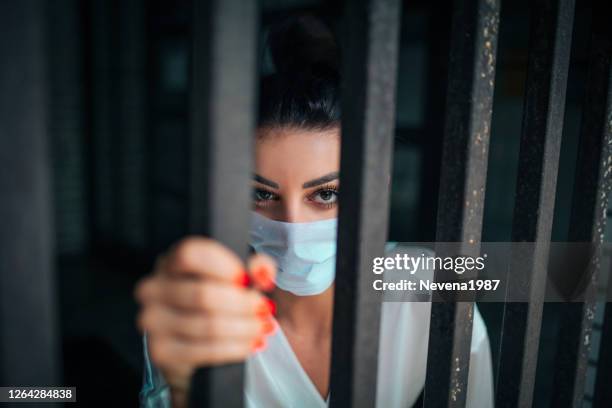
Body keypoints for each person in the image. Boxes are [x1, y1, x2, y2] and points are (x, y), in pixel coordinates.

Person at [135, 16, 494, 408]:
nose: (293, 227)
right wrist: (185, 388)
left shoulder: (425, 291)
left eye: (326, 194)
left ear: (377, 186)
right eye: (260, 193)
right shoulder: (206, 308)